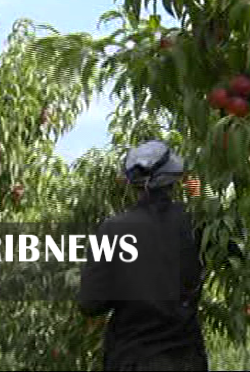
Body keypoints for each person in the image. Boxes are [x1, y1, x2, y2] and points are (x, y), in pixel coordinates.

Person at [79, 140, 209, 371]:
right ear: (175, 176)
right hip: (186, 358)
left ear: (132, 182)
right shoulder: (196, 223)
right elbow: (235, 245)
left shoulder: (113, 229)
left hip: (131, 357)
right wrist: (203, 196)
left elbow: (91, 303)